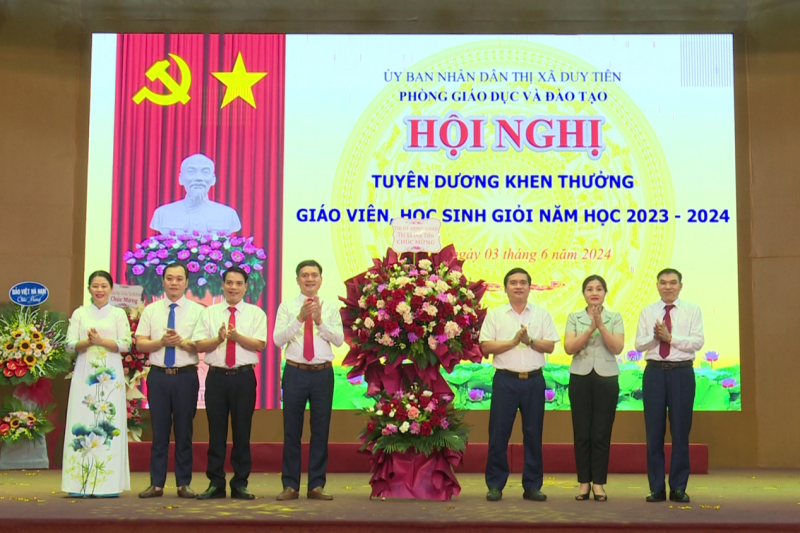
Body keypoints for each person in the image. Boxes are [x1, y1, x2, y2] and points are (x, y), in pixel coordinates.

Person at [479, 267, 560, 502]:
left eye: (523, 282)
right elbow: (486, 347)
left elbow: (550, 346)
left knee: (533, 434)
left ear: (529, 287)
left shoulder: (541, 314)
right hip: (505, 380)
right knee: (498, 433)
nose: (518, 286)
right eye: (513, 283)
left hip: (534, 381)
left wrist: (529, 341)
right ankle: (495, 485)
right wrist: (514, 342)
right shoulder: (495, 315)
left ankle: (532, 486)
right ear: (505, 288)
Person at [193, 266, 267, 500]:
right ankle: (216, 483)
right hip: (216, 377)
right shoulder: (209, 313)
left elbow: (260, 344)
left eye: (238, 283)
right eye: (229, 283)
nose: (233, 287)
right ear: (223, 285)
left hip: (243, 378)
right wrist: (219, 339)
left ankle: (240, 483)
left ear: (246, 287)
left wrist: (237, 337)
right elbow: (199, 345)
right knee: (216, 432)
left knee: (242, 431)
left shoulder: (256, 313)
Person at [273, 260, 344, 501]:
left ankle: (316, 485)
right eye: (305, 275)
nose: (310, 279)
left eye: (314, 275)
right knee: (291, 430)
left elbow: (339, 340)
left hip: (323, 374)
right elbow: (277, 340)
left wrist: (320, 321)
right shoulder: (287, 306)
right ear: (297, 280)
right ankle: (290, 485)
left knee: (320, 430)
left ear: (321, 280)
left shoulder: (330, 307)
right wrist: (300, 318)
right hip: (295, 372)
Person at [135, 263, 204, 499]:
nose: (174, 283)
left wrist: (181, 342)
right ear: (163, 281)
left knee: (184, 431)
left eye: (179, 279)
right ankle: (156, 484)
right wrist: (161, 343)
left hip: (185, 377)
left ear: (186, 282)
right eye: (169, 278)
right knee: (160, 432)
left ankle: (184, 483)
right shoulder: (151, 310)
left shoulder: (198, 311)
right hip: (158, 377)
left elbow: (202, 345)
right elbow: (140, 343)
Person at [635, 268, 704, 504]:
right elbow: (639, 344)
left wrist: (671, 338)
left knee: (680, 431)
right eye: (663, 283)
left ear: (680, 286)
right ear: (657, 286)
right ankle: (656, 488)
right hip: (654, 373)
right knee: (654, 433)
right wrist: (657, 338)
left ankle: (678, 488)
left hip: (681, 373)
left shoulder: (692, 310)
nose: (668, 287)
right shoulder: (648, 311)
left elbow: (697, 342)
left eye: (673, 283)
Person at [62, 271, 132, 497]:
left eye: (103, 286)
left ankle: (107, 484)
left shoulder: (118, 314)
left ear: (111, 289)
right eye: (95, 286)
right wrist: (88, 342)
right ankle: (78, 483)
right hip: (85, 374)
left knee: (107, 421)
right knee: (82, 418)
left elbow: (126, 345)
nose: (99, 290)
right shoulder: (80, 313)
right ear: (89, 288)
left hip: (110, 377)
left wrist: (101, 341)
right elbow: (69, 345)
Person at [564, 275, 624, 502]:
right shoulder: (574, 317)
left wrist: (601, 326)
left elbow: (617, 347)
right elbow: (569, 347)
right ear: (584, 294)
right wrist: (590, 329)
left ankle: (598, 483)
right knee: (581, 432)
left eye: (599, 288)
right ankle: (583, 483)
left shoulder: (614, 318)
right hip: (580, 376)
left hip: (607, 378)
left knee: (601, 432)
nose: (594, 292)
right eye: (589, 289)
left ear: (605, 293)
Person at [149, 153, 242, 235]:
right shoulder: (162, 213)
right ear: (180, 179)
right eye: (191, 172)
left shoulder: (229, 215)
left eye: (205, 172)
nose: (198, 178)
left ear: (213, 179)